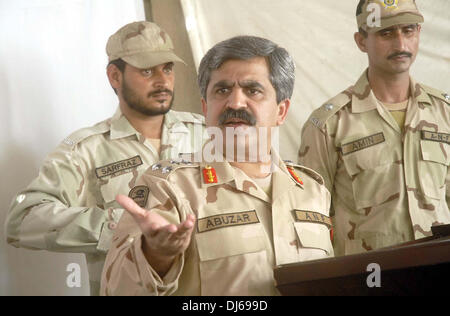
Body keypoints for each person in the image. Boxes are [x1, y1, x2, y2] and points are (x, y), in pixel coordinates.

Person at [100, 35, 334, 296]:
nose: (235, 103)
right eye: (222, 90)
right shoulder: (168, 186)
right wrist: (156, 257)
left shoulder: (312, 190)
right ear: (205, 107)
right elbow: (115, 290)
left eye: (252, 90)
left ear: (281, 110)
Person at [5, 21, 207, 295]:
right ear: (115, 76)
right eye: (147, 70)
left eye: (167, 69)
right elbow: (22, 219)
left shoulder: (208, 136)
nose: (162, 81)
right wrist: (119, 226)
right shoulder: (86, 150)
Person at [298, 0, 450, 256]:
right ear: (361, 41)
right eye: (386, 33)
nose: (400, 44)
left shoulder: (444, 113)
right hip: (368, 280)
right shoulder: (330, 124)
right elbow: (310, 220)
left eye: (408, 30)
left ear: (419, 33)